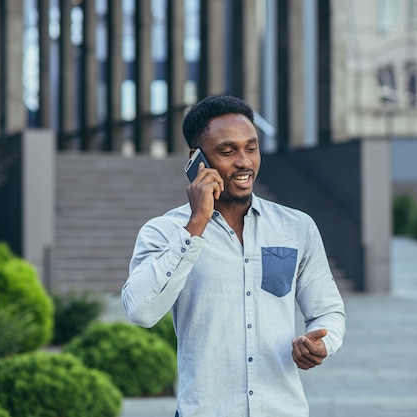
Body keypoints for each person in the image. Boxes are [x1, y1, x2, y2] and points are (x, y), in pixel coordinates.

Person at [122, 95, 346, 417]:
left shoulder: (297, 227)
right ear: (196, 160)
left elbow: (328, 311)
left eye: (251, 148)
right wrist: (196, 224)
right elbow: (141, 311)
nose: (244, 162)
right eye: (227, 151)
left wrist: (322, 343)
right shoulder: (164, 232)